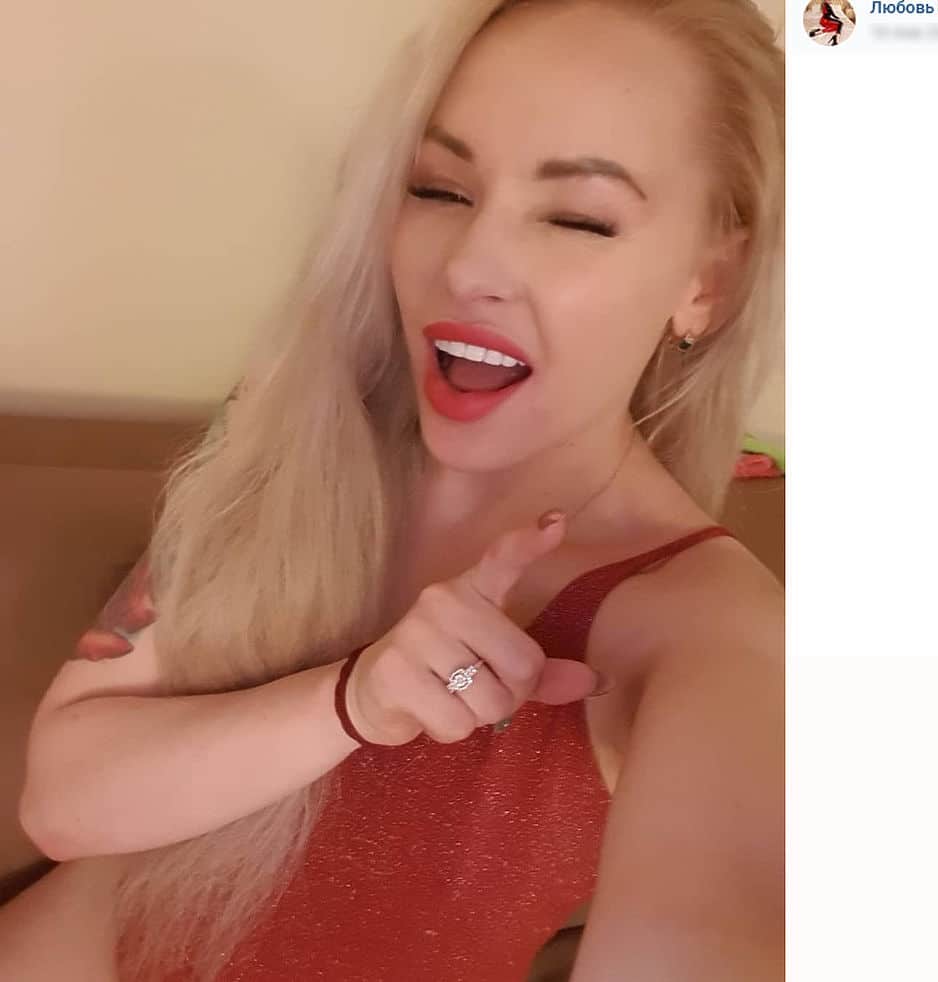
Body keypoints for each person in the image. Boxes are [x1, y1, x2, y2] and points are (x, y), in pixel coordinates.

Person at [16, 0, 784, 979]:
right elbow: (62, 801)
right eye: (439, 189)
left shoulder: (710, 634)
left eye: (576, 217)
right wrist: (353, 700)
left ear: (708, 281)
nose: (468, 265)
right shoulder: (291, 439)